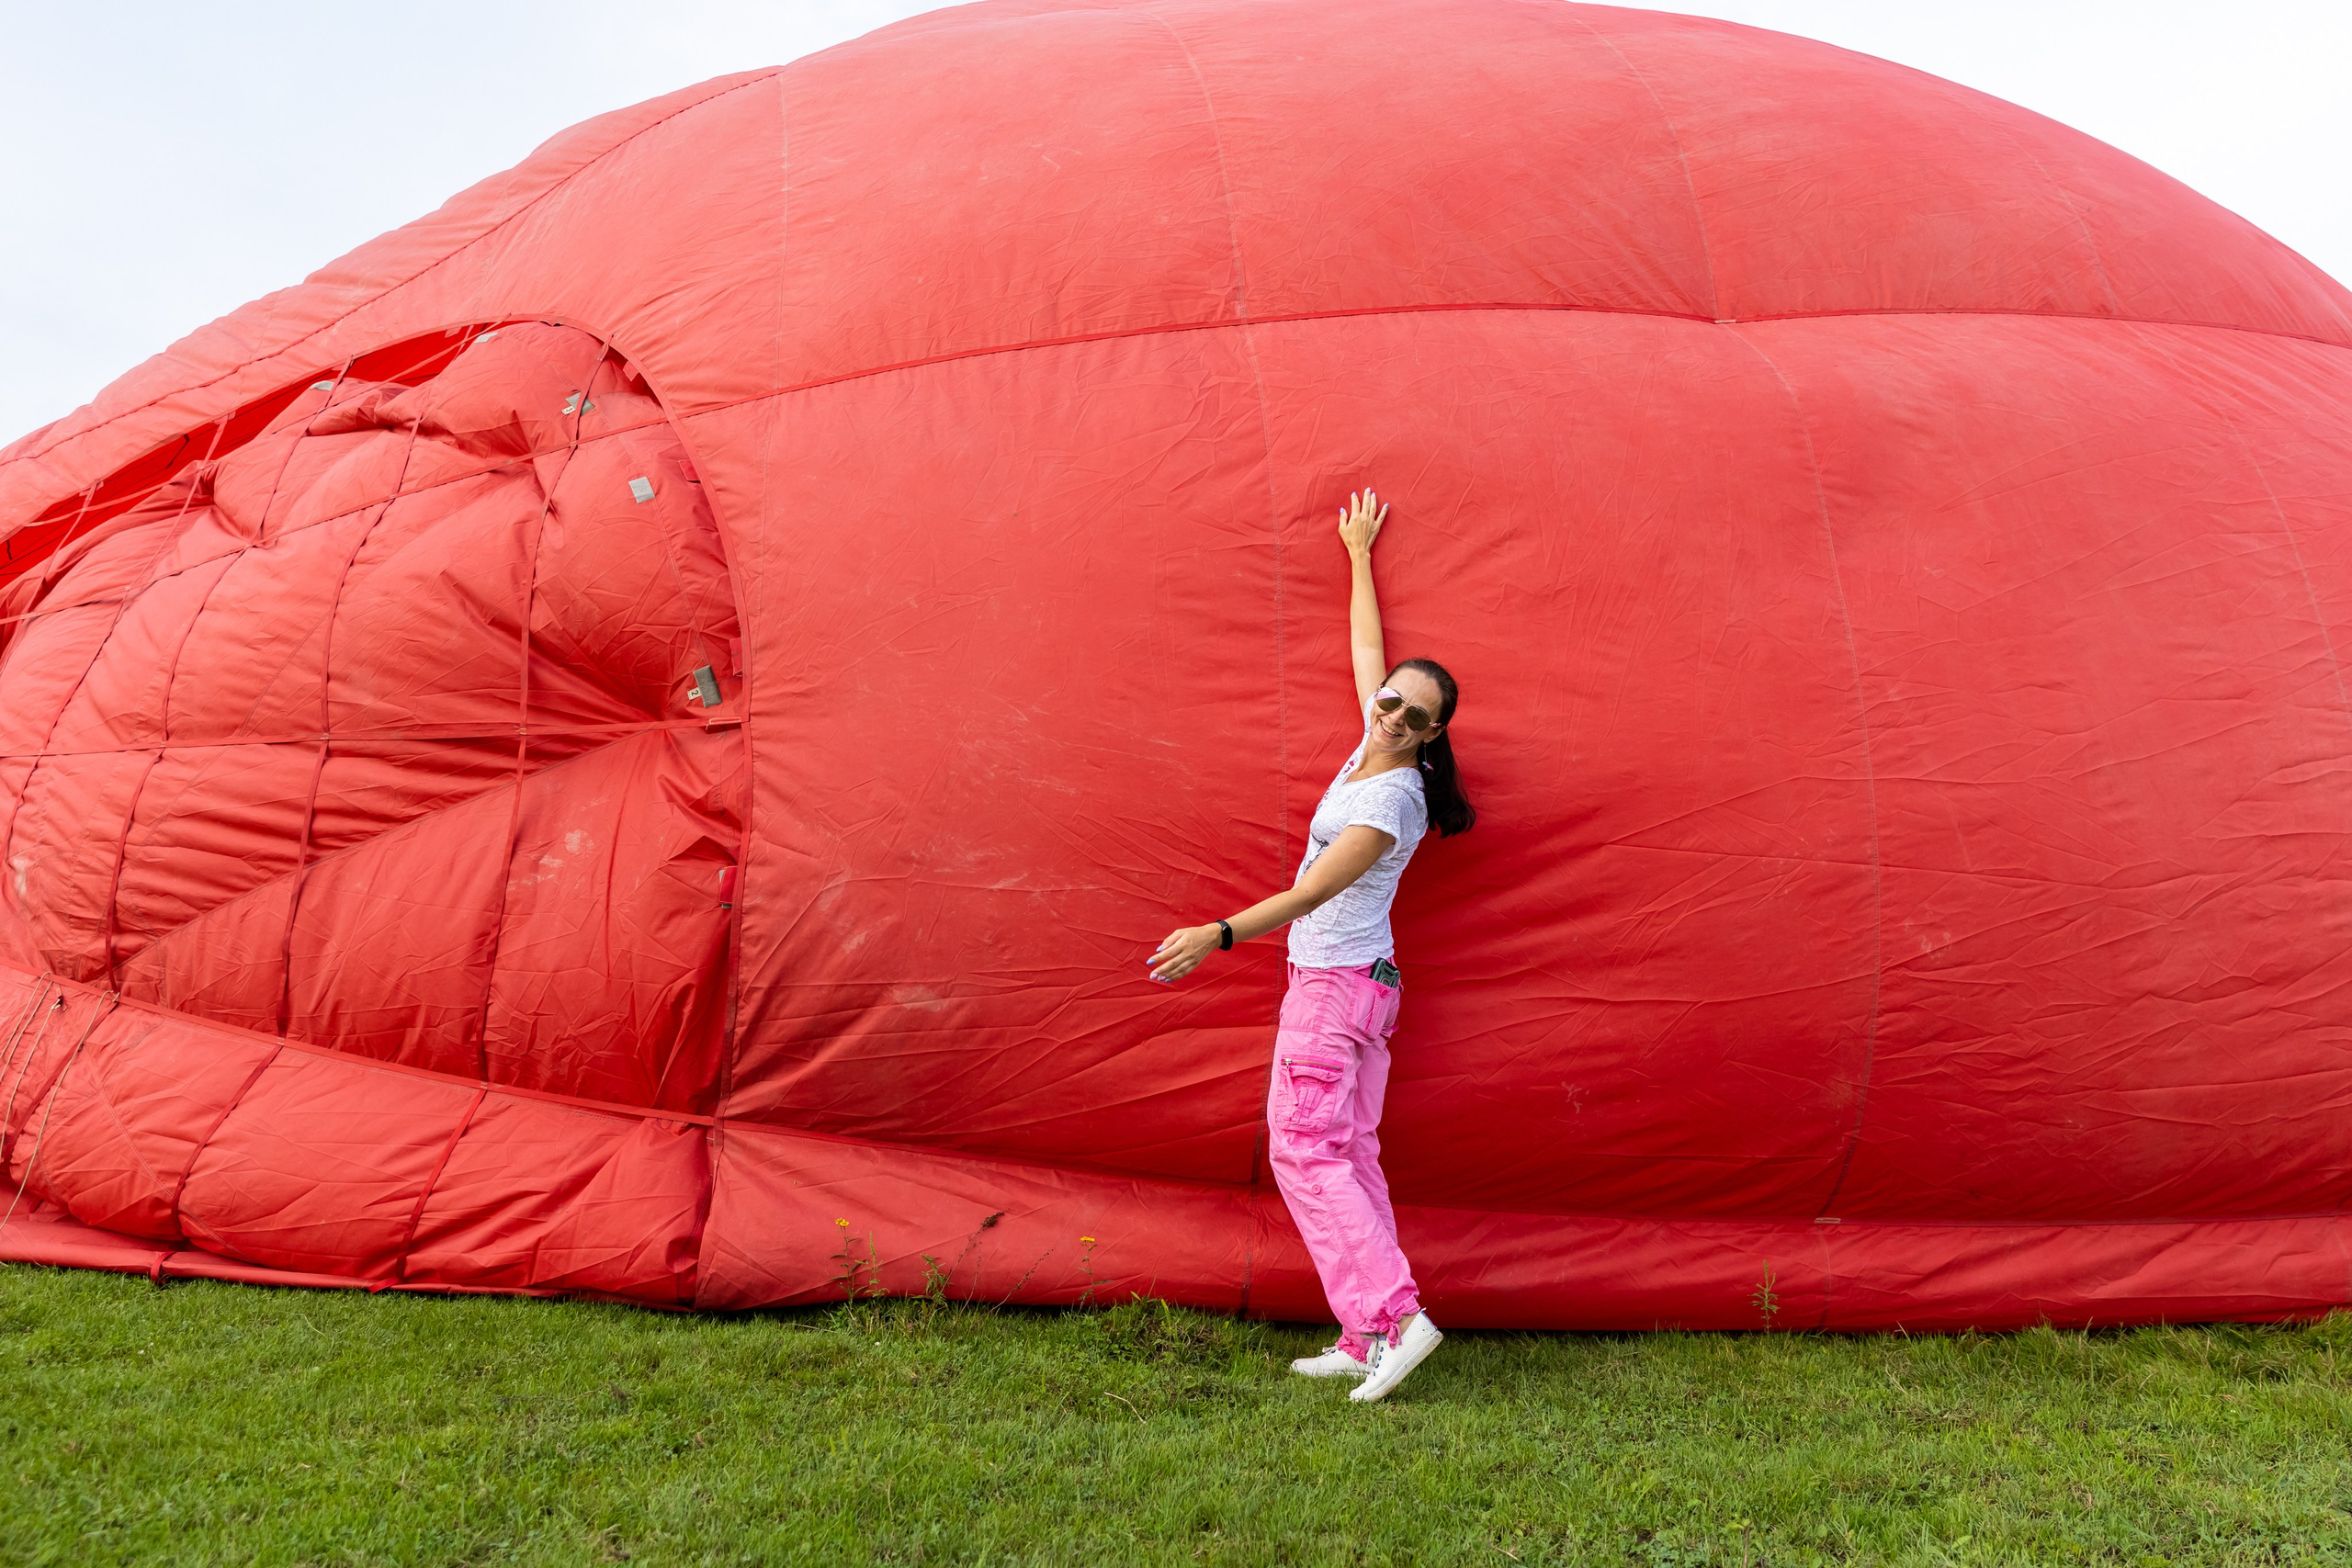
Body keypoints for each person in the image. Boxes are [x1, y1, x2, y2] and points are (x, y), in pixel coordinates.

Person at [1149, 487, 1476, 1404]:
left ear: (1433, 736)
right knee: (1348, 1153)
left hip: (1334, 988)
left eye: (1413, 718)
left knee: (1304, 1147)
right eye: (1391, 702)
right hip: (1360, 985)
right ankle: (1366, 1330)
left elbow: (1310, 894)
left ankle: (1398, 1318)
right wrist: (1359, 556)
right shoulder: (1373, 744)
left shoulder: (1391, 797)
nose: (1392, 716)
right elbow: (1369, 653)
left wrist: (1215, 933)